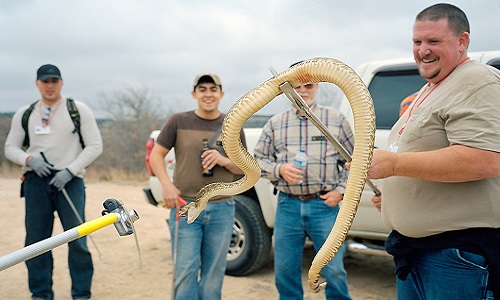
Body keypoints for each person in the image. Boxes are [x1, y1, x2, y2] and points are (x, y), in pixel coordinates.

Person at [367, 3, 500, 299]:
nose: (422, 50)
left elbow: (483, 160)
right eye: (417, 42)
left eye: (433, 41)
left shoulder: (477, 80)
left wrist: (392, 165)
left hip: (454, 258)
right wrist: (392, 195)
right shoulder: (431, 87)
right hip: (417, 253)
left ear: (462, 41)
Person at [4, 64, 103, 300]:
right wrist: (28, 158)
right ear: (37, 84)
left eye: (54, 81)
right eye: (45, 81)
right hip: (36, 182)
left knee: (77, 239)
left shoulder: (77, 110)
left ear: (61, 83)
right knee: (36, 242)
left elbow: (95, 146)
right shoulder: (25, 113)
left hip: (69, 181)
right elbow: (10, 148)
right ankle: (40, 293)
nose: (50, 86)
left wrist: (70, 170)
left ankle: (81, 294)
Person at [254, 70, 354, 300]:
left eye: (308, 86)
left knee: (334, 270)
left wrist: (340, 191)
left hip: (324, 207)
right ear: (287, 90)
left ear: (317, 86)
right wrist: (279, 170)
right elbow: (256, 161)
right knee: (284, 271)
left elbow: (354, 161)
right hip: (288, 206)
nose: (302, 91)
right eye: (297, 86)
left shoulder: (335, 120)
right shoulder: (275, 124)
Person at [149, 73, 246, 300]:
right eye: (202, 89)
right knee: (185, 271)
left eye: (213, 89)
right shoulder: (178, 121)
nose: (208, 94)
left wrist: (224, 160)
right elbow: (156, 155)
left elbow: (245, 168)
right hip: (186, 207)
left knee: (213, 273)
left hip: (222, 208)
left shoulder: (233, 125)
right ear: (194, 94)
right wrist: (167, 185)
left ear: (221, 94)